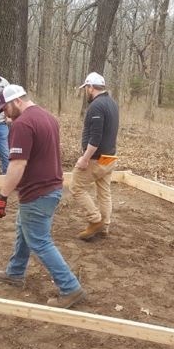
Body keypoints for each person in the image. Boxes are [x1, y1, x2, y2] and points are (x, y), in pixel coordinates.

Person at [0, 85, 86, 309]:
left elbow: (17, 163)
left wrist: (2, 196)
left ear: (16, 102)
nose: (5, 113)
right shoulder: (47, 117)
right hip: (50, 186)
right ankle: (15, 273)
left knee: (40, 241)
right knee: (24, 229)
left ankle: (70, 287)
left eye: (5, 108)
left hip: (38, 191)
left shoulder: (22, 124)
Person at [70, 72, 119, 240]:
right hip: (110, 157)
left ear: (91, 87)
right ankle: (104, 226)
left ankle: (95, 220)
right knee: (104, 192)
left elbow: (95, 137)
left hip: (96, 158)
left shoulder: (96, 106)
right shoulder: (112, 103)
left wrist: (84, 159)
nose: (86, 91)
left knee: (76, 187)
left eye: (86, 88)